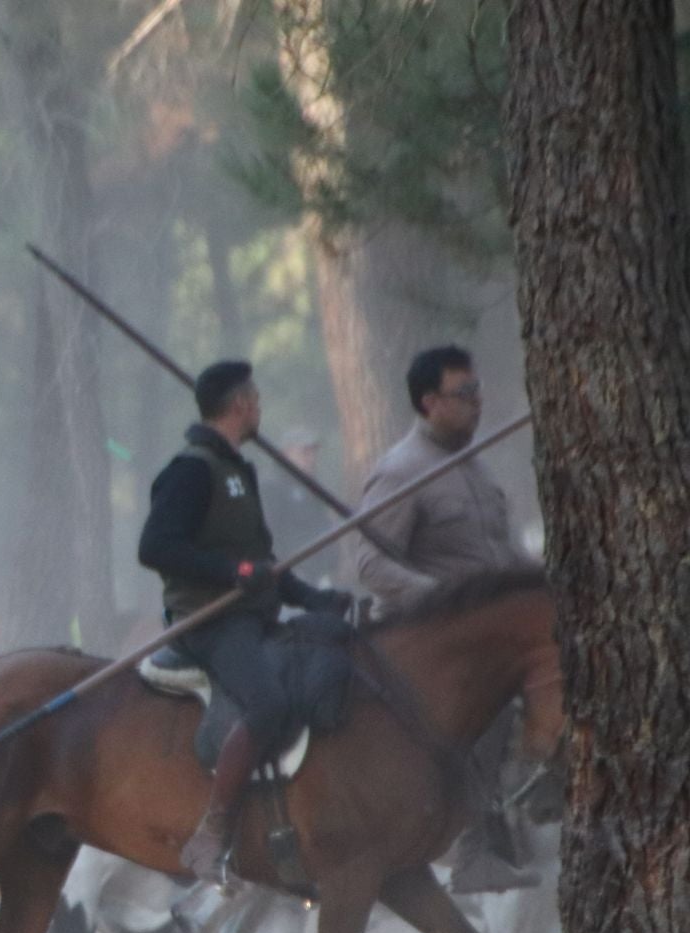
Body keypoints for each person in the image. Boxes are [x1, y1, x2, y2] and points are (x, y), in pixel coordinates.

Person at [138, 361, 353, 883]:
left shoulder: (242, 470)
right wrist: (232, 571)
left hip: (253, 616)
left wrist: (309, 598)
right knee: (268, 702)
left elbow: (261, 559)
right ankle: (211, 834)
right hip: (209, 624)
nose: (260, 409)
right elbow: (155, 547)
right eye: (255, 400)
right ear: (240, 406)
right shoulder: (190, 471)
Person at [353, 345, 541, 894]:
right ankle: (474, 850)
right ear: (430, 402)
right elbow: (367, 561)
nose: (478, 403)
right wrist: (441, 599)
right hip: (428, 645)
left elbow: (504, 554)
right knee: (492, 708)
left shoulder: (477, 470)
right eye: (465, 394)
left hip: (489, 634)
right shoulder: (401, 473)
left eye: (478, 391)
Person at [259, 427, 338, 583]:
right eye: (305, 452)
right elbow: (269, 533)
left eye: (314, 452)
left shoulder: (312, 485)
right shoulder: (271, 486)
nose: (312, 458)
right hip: (293, 576)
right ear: (286, 454)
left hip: (321, 572)